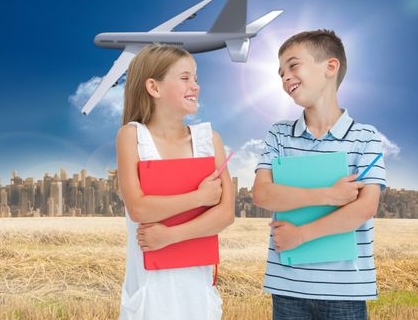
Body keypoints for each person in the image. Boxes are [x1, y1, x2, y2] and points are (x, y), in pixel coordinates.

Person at [252, 29, 387, 319]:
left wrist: (301, 234)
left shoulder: (366, 137)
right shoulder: (279, 134)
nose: (285, 77)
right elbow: (263, 193)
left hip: (346, 291)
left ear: (330, 66)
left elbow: (365, 207)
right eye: (280, 73)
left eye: (293, 65)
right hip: (288, 286)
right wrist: (330, 195)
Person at [116, 44, 235, 320]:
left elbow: (225, 214)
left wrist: (170, 236)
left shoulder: (209, 140)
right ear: (153, 88)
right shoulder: (131, 136)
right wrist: (199, 198)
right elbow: (140, 209)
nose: (195, 86)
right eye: (185, 78)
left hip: (197, 296)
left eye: (196, 78)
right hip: (150, 297)